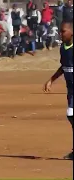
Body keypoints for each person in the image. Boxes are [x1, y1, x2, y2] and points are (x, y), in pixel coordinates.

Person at [43, 21, 73, 160]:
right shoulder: (63, 48)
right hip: (71, 91)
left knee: (71, 115)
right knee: (71, 116)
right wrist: (51, 80)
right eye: (60, 31)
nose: (61, 33)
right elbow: (63, 67)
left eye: (63, 31)